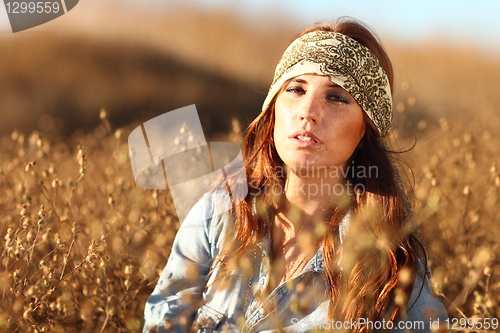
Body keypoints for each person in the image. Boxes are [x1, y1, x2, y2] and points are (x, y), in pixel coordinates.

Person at [143, 18, 448, 332]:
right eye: (295, 89)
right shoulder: (218, 215)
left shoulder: (390, 267)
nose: (308, 111)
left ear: (365, 131)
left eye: (337, 97)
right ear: (273, 110)